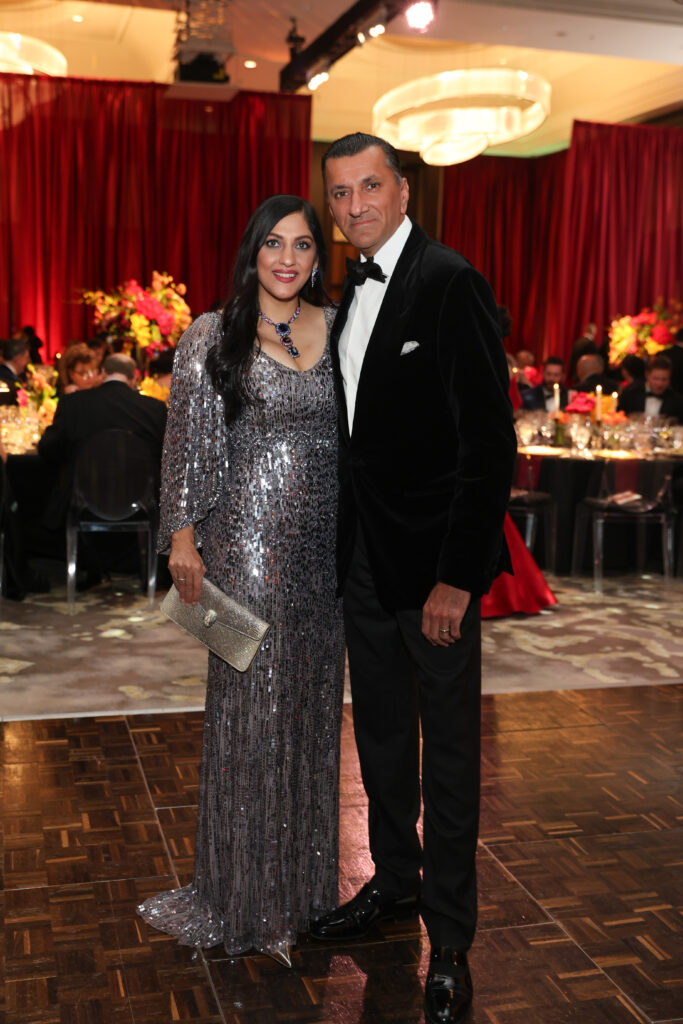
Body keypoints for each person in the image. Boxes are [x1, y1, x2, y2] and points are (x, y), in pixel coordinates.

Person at [311, 133, 516, 1024]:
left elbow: (487, 447)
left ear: (402, 189)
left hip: (434, 576)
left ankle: (452, 938)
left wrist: (457, 580)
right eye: (338, 193)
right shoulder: (342, 292)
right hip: (362, 564)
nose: (353, 206)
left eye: (368, 187)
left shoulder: (447, 281)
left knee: (451, 760)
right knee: (384, 743)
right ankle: (392, 884)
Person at [137, 195, 345, 967]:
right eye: (272, 244)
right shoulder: (209, 335)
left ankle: (303, 893)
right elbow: (184, 444)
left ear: (317, 258)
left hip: (325, 563)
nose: (286, 259)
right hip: (242, 555)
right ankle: (245, 901)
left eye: (301, 245)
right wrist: (182, 542)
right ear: (251, 253)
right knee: (250, 728)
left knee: (312, 717)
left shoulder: (342, 331)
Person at [38, 353, 167, 525]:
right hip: (140, 501)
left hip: (83, 498)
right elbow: (167, 456)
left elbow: (48, 448)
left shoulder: (73, 404)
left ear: (103, 373)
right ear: (134, 378)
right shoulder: (154, 409)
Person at [618, 353, 683, 422]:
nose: (659, 384)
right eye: (656, 378)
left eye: (664, 379)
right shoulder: (630, 394)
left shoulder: (677, 401)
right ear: (647, 375)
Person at [0, 338, 30, 405]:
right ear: (18, 357)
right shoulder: (6, 378)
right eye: (26, 358)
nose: (27, 362)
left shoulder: (7, 373)